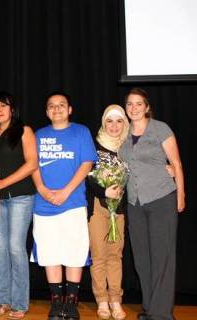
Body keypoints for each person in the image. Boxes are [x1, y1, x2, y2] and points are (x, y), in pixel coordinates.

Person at [119, 88, 185, 320]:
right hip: (135, 202)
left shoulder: (160, 128)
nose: (134, 108)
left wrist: (180, 197)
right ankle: (150, 307)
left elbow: (175, 163)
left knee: (162, 257)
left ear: (147, 107)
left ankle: (162, 314)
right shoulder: (124, 135)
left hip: (161, 198)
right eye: (129, 104)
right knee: (142, 259)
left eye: (138, 104)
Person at [32, 92, 97, 320]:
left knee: (74, 254)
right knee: (50, 254)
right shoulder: (38, 135)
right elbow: (32, 166)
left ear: (70, 109)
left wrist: (66, 191)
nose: (56, 109)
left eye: (61, 105)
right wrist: (42, 189)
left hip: (73, 203)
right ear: (46, 111)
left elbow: (87, 163)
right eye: (51, 106)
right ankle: (56, 302)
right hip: (44, 205)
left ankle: (71, 302)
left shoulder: (81, 132)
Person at [0, 91, 37, 320]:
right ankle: (3, 299)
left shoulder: (24, 131)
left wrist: (2, 182)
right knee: (0, 249)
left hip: (21, 197)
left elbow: (32, 163)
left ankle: (20, 302)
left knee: (15, 247)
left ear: (12, 108)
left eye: (3, 105)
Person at [86, 105, 129, 320]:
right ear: (104, 123)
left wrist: (166, 168)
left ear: (125, 124)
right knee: (99, 255)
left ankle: (116, 300)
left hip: (119, 209)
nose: (114, 126)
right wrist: (104, 190)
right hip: (97, 206)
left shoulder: (129, 147)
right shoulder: (93, 147)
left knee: (115, 255)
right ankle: (101, 300)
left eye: (119, 121)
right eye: (110, 121)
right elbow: (86, 176)